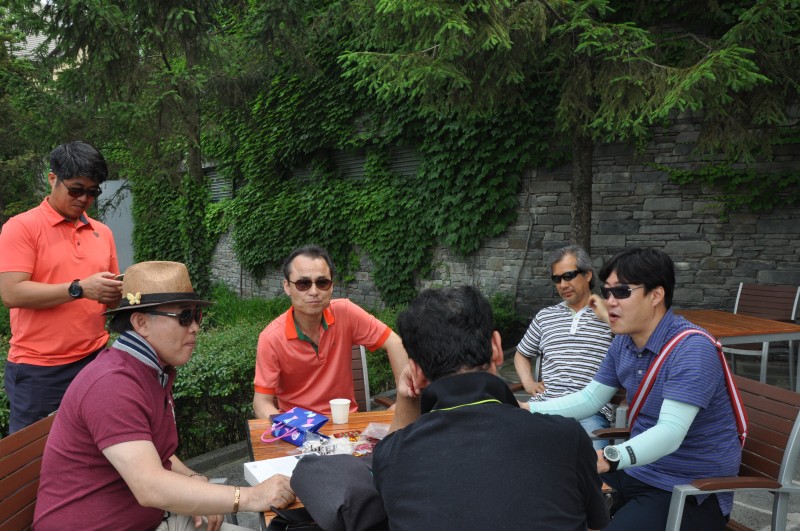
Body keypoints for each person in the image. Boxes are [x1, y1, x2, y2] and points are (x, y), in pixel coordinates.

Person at [34, 261, 295, 531]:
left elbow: (150, 450)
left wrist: (193, 478)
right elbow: (150, 487)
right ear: (141, 323)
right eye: (184, 317)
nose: (195, 327)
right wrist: (251, 496)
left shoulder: (148, 369)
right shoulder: (112, 384)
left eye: (197, 315)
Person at [526, 248, 743, 531]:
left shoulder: (691, 349)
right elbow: (590, 398)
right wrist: (525, 409)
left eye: (622, 292)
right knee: (540, 500)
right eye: (607, 292)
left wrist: (610, 457)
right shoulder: (625, 342)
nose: (610, 302)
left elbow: (670, 432)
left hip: (688, 487)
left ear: (656, 295)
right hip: (639, 471)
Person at [372, 286, 609, 531]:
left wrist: (407, 399)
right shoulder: (566, 438)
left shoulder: (392, 456)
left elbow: (387, 461)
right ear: (496, 347)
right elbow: (594, 524)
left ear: (416, 371)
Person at [0, 141, 123, 434]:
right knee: (36, 456)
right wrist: (80, 289)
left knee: (96, 446)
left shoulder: (102, 232)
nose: (84, 199)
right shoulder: (22, 227)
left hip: (95, 359)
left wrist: (116, 294)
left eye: (92, 192)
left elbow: (111, 298)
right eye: (76, 189)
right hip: (40, 371)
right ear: (52, 178)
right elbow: (11, 293)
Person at [253, 244, 408, 418]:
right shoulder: (271, 338)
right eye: (303, 284)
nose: (314, 292)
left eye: (322, 283)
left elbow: (395, 343)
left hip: (346, 424)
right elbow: (261, 403)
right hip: (298, 427)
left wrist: (404, 403)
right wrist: (287, 427)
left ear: (331, 286)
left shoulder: (345, 312)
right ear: (287, 286)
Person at [513, 244, 614, 449]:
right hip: (544, 407)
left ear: (587, 275)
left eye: (568, 276)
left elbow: (635, 344)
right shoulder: (545, 316)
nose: (563, 284)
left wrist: (606, 317)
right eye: (557, 279)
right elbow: (521, 354)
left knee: (592, 462)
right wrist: (528, 382)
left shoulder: (612, 315)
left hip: (590, 412)